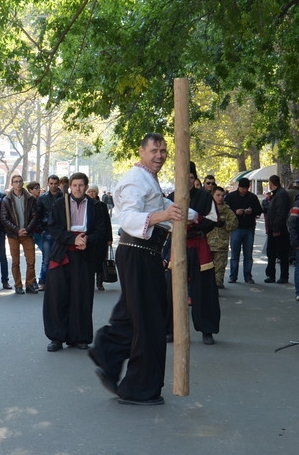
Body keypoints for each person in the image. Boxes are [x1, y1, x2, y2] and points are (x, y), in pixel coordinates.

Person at [89, 133, 191, 406]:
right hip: (137, 252)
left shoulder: (148, 180)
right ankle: (138, 388)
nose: (160, 155)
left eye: (164, 150)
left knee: (133, 314)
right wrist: (164, 216)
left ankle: (107, 349)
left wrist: (192, 214)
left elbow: (164, 206)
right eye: (154, 150)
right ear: (141, 151)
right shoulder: (135, 179)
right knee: (149, 320)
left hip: (145, 253)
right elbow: (128, 218)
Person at [42, 173, 109, 352]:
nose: (78, 188)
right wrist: (72, 240)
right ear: (70, 186)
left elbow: (101, 231)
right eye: (75, 185)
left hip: (85, 254)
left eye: (81, 185)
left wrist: (86, 240)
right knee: (57, 296)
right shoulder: (59, 204)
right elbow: (53, 227)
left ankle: (79, 337)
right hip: (62, 253)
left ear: (86, 187)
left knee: (82, 296)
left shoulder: (97, 206)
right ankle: (56, 337)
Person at [165, 162, 220, 345]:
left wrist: (197, 219)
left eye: (190, 177)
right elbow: (163, 222)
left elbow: (214, 221)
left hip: (198, 246)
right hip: (176, 247)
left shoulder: (205, 197)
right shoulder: (171, 197)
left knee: (204, 289)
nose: (186, 181)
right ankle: (170, 329)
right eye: (182, 177)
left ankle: (207, 330)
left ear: (194, 178)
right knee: (171, 289)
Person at [0, 174, 39, 294]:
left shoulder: (30, 198)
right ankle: (18, 285)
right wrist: (17, 229)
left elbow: (34, 216)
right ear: (12, 184)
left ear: (23, 183)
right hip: (13, 235)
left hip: (27, 233)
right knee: (15, 261)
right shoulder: (6, 200)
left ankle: (29, 284)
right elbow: (4, 218)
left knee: (31, 261)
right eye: (15, 181)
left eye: (20, 181)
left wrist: (27, 229)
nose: (18, 183)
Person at [224, 177, 262, 283]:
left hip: (249, 228)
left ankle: (248, 276)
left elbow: (259, 210)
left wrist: (251, 211)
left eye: (246, 188)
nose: (244, 190)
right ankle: (233, 276)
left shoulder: (252, 197)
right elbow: (225, 209)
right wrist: (235, 211)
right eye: (242, 188)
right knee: (235, 255)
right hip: (236, 228)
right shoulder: (231, 197)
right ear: (239, 187)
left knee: (248, 255)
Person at [207, 185, 237, 289]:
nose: (220, 197)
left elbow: (234, 223)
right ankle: (207, 287)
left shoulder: (226, 209)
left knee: (219, 268)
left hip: (221, 244)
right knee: (205, 267)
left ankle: (216, 286)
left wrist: (224, 223)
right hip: (207, 243)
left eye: (222, 195)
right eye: (218, 195)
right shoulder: (207, 207)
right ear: (212, 195)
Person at [36, 175, 63, 290]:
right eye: (51, 183)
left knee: (62, 257)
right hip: (47, 230)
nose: (53, 185)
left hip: (61, 231)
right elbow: (37, 214)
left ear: (58, 183)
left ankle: (58, 282)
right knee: (46, 258)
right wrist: (42, 227)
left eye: (55, 183)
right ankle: (43, 282)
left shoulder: (64, 196)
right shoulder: (42, 198)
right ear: (48, 183)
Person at [264, 174, 291, 284]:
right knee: (271, 252)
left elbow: (280, 213)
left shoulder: (281, 194)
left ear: (271, 183)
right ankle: (272, 274)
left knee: (281, 253)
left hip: (278, 229)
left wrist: (276, 229)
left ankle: (283, 275)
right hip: (274, 227)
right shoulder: (277, 194)